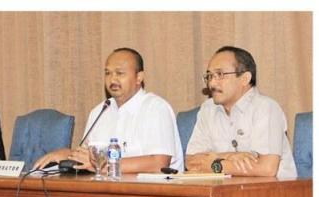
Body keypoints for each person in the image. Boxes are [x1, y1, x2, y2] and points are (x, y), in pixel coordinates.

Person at [33, 47, 182, 173]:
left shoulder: (156, 108)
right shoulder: (100, 111)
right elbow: (86, 159)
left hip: (151, 196)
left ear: (139, 77)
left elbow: (159, 164)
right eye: (108, 73)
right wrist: (68, 154)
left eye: (120, 73)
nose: (112, 79)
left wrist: (102, 165)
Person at [185, 46, 296, 178]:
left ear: (245, 78)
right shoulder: (207, 110)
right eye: (209, 76)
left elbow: (267, 169)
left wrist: (215, 164)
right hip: (225, 192)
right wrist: (229, 156)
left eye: (220, 74)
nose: (212, 83)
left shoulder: (266, 108)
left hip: (271, 193)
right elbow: (191, 162)